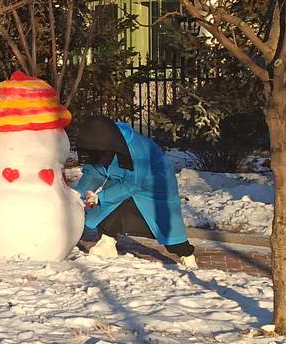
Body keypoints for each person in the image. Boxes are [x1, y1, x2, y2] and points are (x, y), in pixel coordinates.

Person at [68, 114, 196, 266]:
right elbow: (94, 172)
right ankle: (107, 243)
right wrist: (79, 193)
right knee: (105, 209)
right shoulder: (99, 147)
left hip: (154, 188)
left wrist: (101, 197)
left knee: (164, 225)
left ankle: (186, 254)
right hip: (123, 184)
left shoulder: (137, 149)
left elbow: (133, 184)